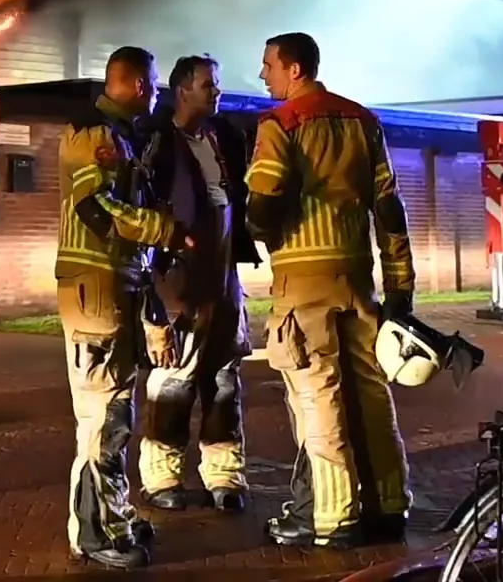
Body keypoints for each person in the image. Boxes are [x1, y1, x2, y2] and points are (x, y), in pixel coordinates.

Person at [245, 31, 416, 549]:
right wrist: (401, 286)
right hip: (358, 279)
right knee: (370, 394)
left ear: (294, 69)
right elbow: (388, 205)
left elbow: (262, 204)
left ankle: (334, 515)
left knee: (318, 397)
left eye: (268, 65)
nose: (262, 75)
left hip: (303, 283)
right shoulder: (363, 120)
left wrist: (261, 225)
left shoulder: (280, 124)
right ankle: (389, 504)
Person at [55, 46, 189, 570]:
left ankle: (113, 516)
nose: (155, 94)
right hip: (95, 294)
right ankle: (93, 534)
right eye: (152, 84)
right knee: (102, 417)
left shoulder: (119, 136)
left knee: (117, 414)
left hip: (115, 290)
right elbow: (96, 208)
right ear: (135, 84)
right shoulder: (92, 133)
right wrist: (162, 227)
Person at [135, 55, 261, 515]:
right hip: (179, 286)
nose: (217, 92)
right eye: (209, 85)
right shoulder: (155, 142)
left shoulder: (224, 138)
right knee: (173, 381)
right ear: (182, 90)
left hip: (224, 282)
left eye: (218, 84)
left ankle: (224, 474)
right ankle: (162, 476)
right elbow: (142, 220)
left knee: (225, 381)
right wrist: (156, 302)